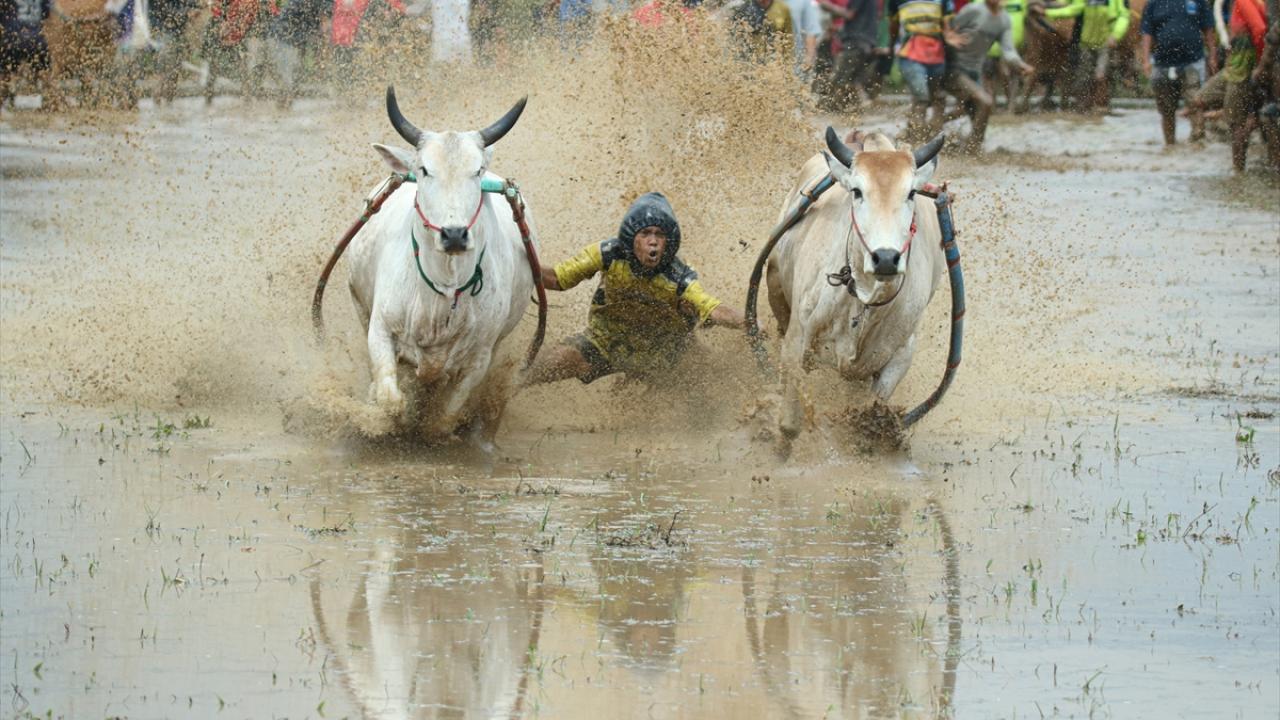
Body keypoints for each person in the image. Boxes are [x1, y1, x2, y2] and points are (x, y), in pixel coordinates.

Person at [523, 193, 751, 387]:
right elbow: (556, 279)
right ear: (631, 237)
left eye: (659, 235)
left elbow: (712, 308)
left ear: (669, 241)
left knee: (717, 384)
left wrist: (748, 321)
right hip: (607, 339)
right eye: (645, 234)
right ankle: (501, 390)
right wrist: (518, 263)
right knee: (544, 365)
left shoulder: (680, 276)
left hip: (666, 351)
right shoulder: (607, 254)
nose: (653, 242)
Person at [944, 0, 1035, 151]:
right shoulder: (973, 10)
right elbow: (947, 27)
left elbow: (1008, 50)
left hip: (975, 71)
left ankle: (973, 148)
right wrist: (948, 36)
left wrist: (1020, 65)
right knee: (985, 102)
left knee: (978, 110)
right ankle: (970, 150)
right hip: (954, 68)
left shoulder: (1004, 19)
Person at [1141, 0, 1217, 144]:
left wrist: (1213, 56)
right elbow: (1147, 33)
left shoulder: (1199, 2)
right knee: (1166, 111)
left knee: (1196, 103)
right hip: (1162, 64)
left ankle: (1198, 144)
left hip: (1193, 62)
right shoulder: (1153, 3)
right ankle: (1170, 146)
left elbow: (1208, 28)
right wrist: (1145, 61)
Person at [1035, 0, 1130, 111]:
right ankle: (1083, 107)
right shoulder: (1084, 2)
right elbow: (1072, 9)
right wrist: (1047, 13)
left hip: (1106, 44)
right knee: (1083, 77)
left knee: (1100, 76)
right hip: (1085, 44)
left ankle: (1101, 106)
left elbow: (1123, 16)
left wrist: (1115, 35)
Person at [887, 0, 954, 138]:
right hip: (910, 52)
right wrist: (892, 46)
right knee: (921, 96)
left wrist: (949, 37)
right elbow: (893, 25)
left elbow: (947, 25)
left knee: (937, 97)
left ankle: (931, 134)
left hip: (936, 54)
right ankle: (919, 137)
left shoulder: (944, 1)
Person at [831, 0, 878, 107]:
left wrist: (826, 5)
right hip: (866, 44)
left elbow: (849, 14)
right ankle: (857, 110)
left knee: (838, 80)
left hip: (855, 43)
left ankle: (837, 112)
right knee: (854, 81)